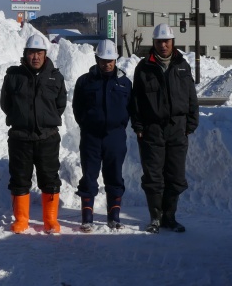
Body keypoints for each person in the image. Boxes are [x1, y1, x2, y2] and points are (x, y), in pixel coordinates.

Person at [131, 23, 198, 234]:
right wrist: (139, 125)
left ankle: (170, 217)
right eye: (159, 41)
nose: (163, 45)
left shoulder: (182, 65)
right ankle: (155, 218)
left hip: (177, 128)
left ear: (172, 42)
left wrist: (191, 122)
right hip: (152, 129)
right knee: (153, 176)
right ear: (154, 43)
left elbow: (191, 96)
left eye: (166, 41)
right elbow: (136, 101)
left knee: (176, 176)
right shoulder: (144, 67)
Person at [0, 34, 67, 234]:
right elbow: (6, 104)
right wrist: (20, 118)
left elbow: (60, 104)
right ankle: (21, 220)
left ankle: (50, 220)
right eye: (31, 53)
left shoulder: (55, 77)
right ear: (25, 54)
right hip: (20, 137)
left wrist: (47, 120)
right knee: (19, 178)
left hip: (47, 137)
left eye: (39, 53)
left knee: (50, 178)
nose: (35, 57)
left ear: (45, 54)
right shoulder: (13, 76)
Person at [73, 39, 132, 232]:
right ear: (96, 59)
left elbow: (131, 108)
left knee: (114, 175)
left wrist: (119, 125)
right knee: (89, 176)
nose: (107, 64)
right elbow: (77, 107)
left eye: (111, 60)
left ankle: (113, 217)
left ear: (115, 60)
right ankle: (87, 218)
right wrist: (87, 124)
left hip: (115, 137)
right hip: (91, 136)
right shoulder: (84, 81)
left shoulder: (124, 83)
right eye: (103, 60)